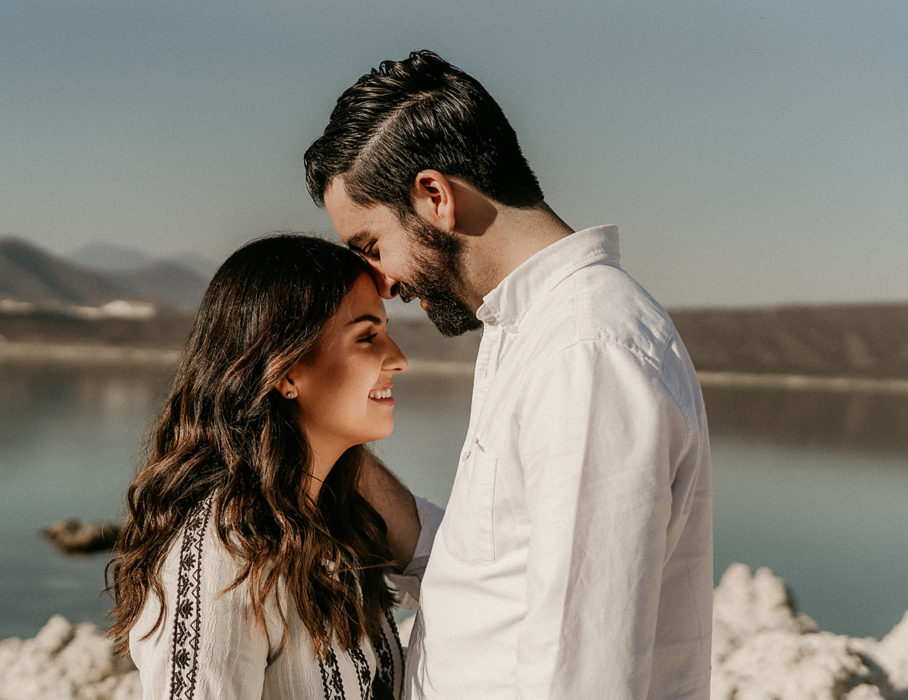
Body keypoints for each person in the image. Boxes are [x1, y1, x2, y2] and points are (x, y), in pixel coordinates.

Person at [304, 51, 714, 699]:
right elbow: (491, 568)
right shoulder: (528, 330)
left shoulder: (584, 353)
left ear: (435, 197)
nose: (379, 283)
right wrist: (323, 442)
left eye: (371, 247)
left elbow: (585, 667)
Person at [107, 234, 422, 699]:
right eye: (367, 336)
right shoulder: (225, 554)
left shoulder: (334, 527)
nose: (398, 359)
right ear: (287, 372)